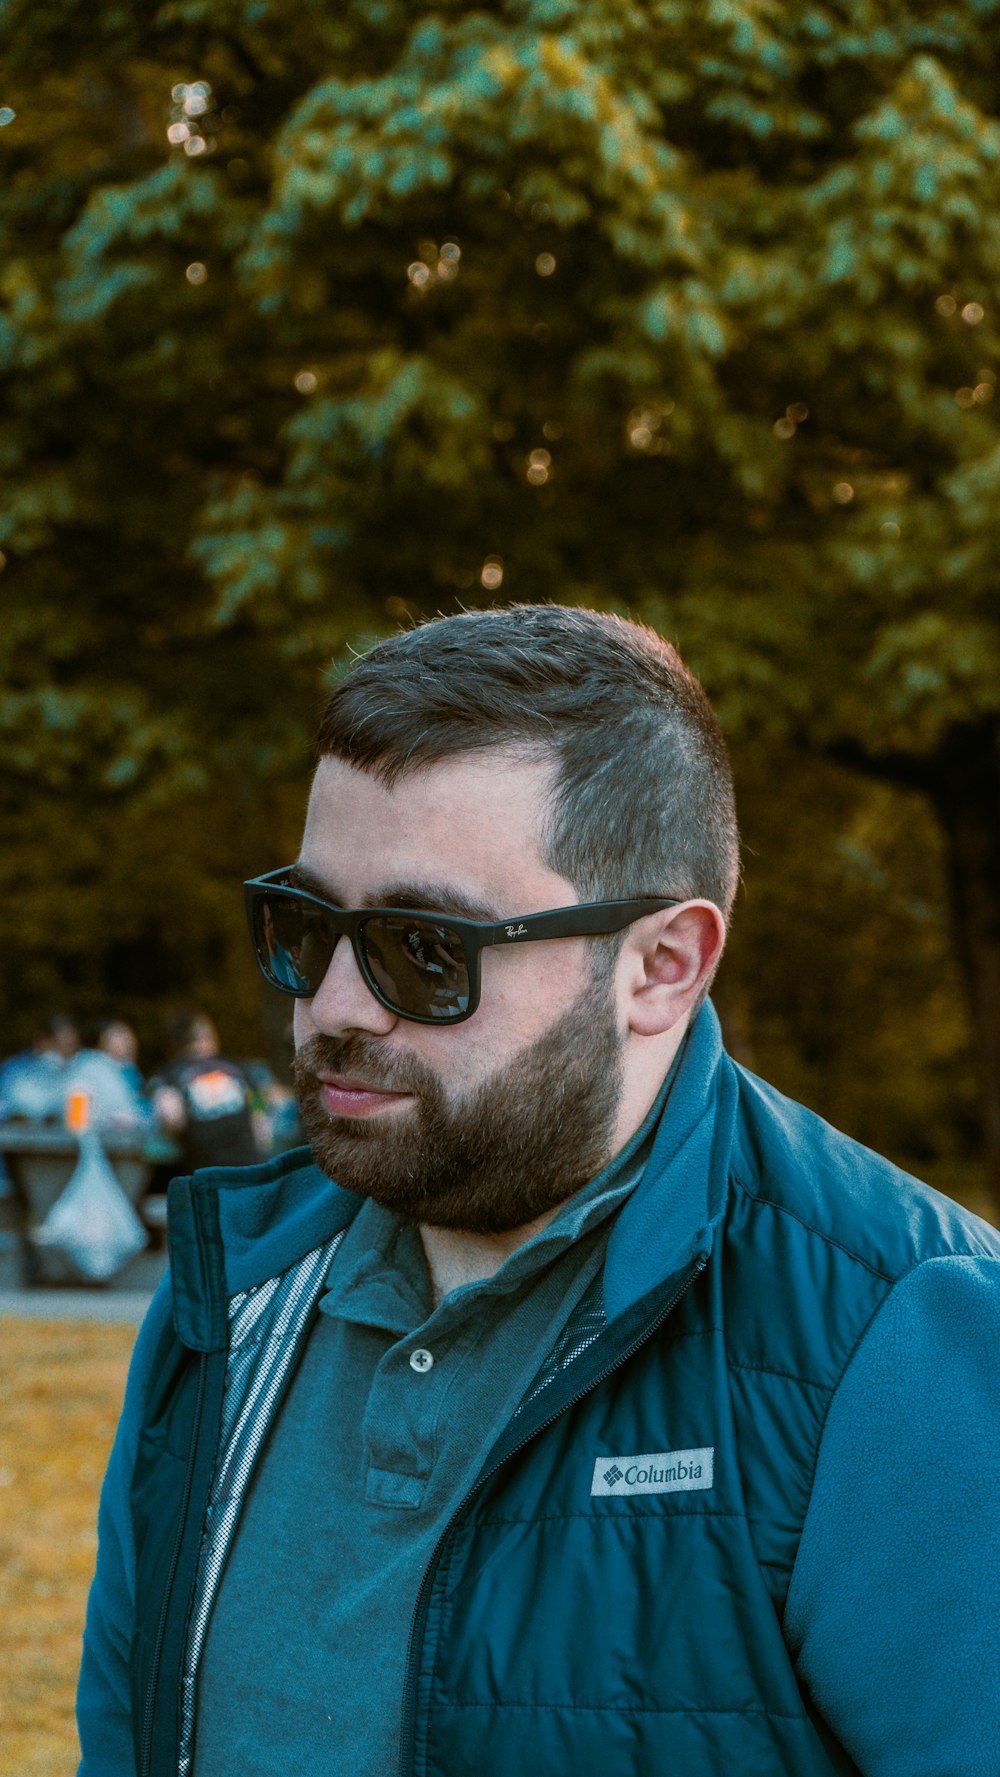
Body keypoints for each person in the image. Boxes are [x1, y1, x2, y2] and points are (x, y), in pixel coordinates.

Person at [77, 606, 1000, 1777]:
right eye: (306, 928)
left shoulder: (899, 1336)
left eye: (425, 948)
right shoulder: (233, 1289)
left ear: (660, 966)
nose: (337, 1008)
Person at [149, 1010, 260, 1172]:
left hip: (206, 1166)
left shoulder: (168, 1073)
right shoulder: (235, 1066)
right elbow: (259, 1112)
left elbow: (171, 1118)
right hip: (247, 1159)